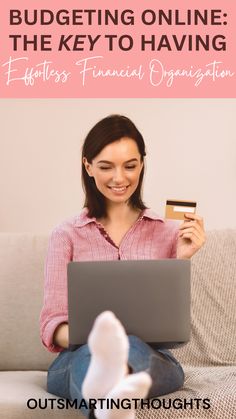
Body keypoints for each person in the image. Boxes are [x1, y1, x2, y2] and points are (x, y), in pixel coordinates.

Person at [40, 114, 205, 418]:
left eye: (130, 166)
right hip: (79, 355)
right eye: (106, 167)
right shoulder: (65, 235)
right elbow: (52, 322)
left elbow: (169, 324)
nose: (119, 178)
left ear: (142, 164)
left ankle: (107, 398)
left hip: (147, 353)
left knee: (132, 349)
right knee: (97, 356)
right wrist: (99, 342)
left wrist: (181, 259)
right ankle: (111, 391)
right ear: (88, 166)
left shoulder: (168, 231)